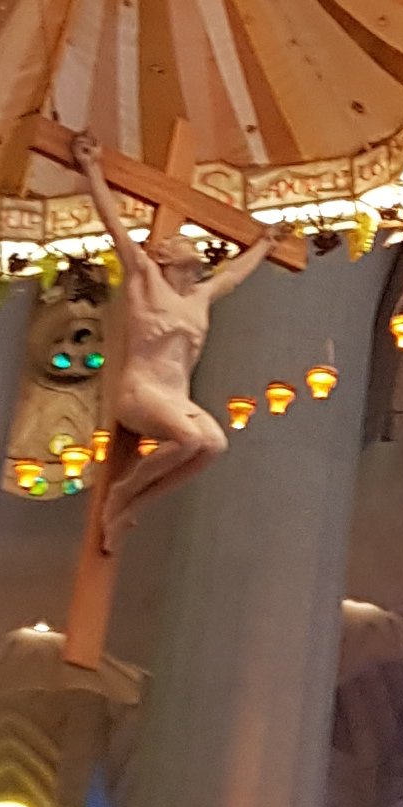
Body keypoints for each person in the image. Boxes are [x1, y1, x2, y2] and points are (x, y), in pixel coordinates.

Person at [68, 134, 289, 552]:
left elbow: (232, 275)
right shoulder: (146, 277)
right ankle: (122, 490)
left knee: (214, 445)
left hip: (175, 396)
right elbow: (116, 228)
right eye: (180, 242)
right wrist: (92, 168)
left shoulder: (199, 297)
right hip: (141, 391)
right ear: (164, 256)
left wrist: (264, 243)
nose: (190, 244)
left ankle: (134, 504)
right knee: (189, 439)